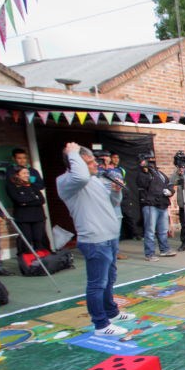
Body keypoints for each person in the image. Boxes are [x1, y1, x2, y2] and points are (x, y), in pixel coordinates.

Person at [56, 144, 135, 336]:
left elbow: (112, 203)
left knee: (109, 279)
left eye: (94, 161)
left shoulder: (95, 180)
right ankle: (101, 324)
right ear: (75, 163)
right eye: (89, 162)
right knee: (97, 284)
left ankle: (112, 312)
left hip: (110, 238)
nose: (96, 165)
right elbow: (80, 176)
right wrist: (72, 152)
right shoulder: (67, 182)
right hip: (94, 240)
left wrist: (116, 190)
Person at [136, 154, 177, 261]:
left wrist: (170, 191)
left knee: (163, 230)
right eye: (149, 160)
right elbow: (144, 184)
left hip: (162, 203)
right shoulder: (142, 173)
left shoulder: (159, 173)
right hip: (150, 204)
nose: (151, 162)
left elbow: (169, 183)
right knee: (150, 231)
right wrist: (145, 170)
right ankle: (149, 253)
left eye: (152, 160)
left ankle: (164, 249)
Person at [5, 165, 49, 252]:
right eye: (24, 173)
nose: (27, 175)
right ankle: (26, 258)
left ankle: (42, 257)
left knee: (39, 238)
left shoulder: (33, 186)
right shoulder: (11, 186)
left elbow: (41, 200)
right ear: (17, 175)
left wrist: (26, 202)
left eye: (28, 173)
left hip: (38, 216)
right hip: (23, 218)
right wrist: (34, 199)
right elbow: (19, 200)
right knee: (26, 240)